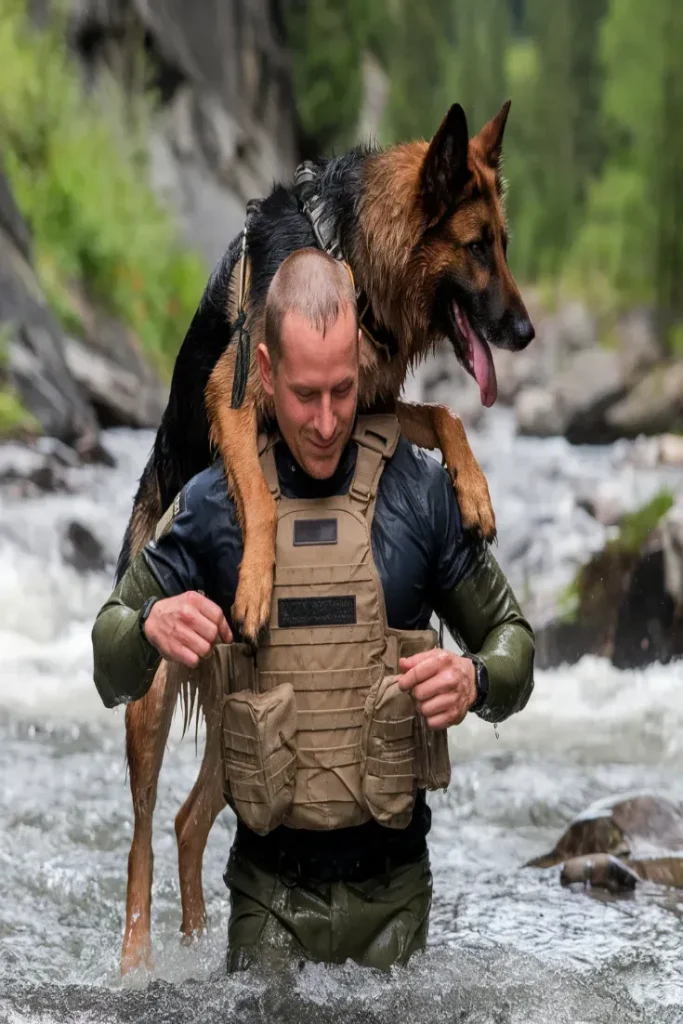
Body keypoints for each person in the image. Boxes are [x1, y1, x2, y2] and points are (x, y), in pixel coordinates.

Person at [92, 247, 534, 972]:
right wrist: (147, 627)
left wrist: (476, 679)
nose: (328, 422)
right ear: (264, 374)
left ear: (361, 361)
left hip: (395, 903)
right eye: (304, 395)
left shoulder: (421, 494)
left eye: (342, 389)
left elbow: (513, 642)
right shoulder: (214, 505)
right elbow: (108, 665)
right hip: (268, 907)